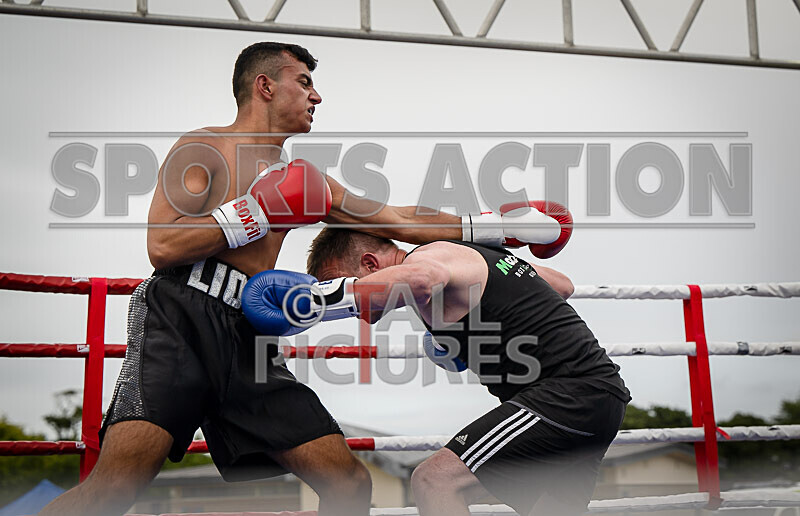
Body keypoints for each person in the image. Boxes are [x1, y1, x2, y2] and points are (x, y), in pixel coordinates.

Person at [41, 42, 569, 516]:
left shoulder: (309, 181)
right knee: (115, 489)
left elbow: (399, 219)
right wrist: (255, 212)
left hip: (246, 330)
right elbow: (162, 246)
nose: (317, 97)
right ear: (264, 86)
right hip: (179, 317)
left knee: (348, 484)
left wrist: (494, 225)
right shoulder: (203, 147)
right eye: (305, 82)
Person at [243, 227, 631, 516]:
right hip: (596, 400)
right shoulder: (460, 257)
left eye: (344, 280)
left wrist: (322, 299)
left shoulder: (425, 260)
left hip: (567, 396)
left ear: (370, 264)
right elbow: (561, 286)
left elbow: (419, 279)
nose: (356, 299)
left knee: (434, 480)